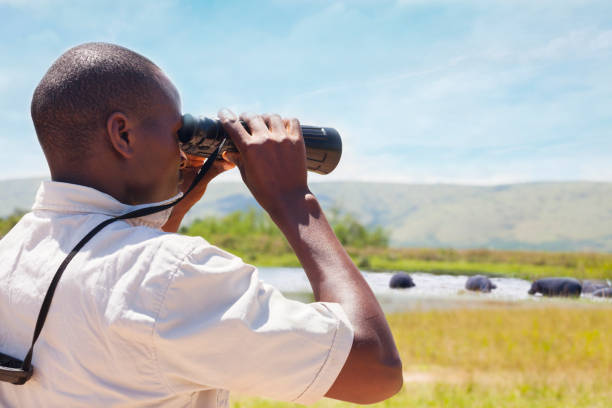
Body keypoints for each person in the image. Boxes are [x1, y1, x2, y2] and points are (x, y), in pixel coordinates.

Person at [0, 42, 402, 407]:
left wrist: (175, 204)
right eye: (178, 130)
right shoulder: (174, 275)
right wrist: (293, 200)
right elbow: (374, 370)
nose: (182, 150)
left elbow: (120, 295)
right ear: (122, 134)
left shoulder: (14, 250)